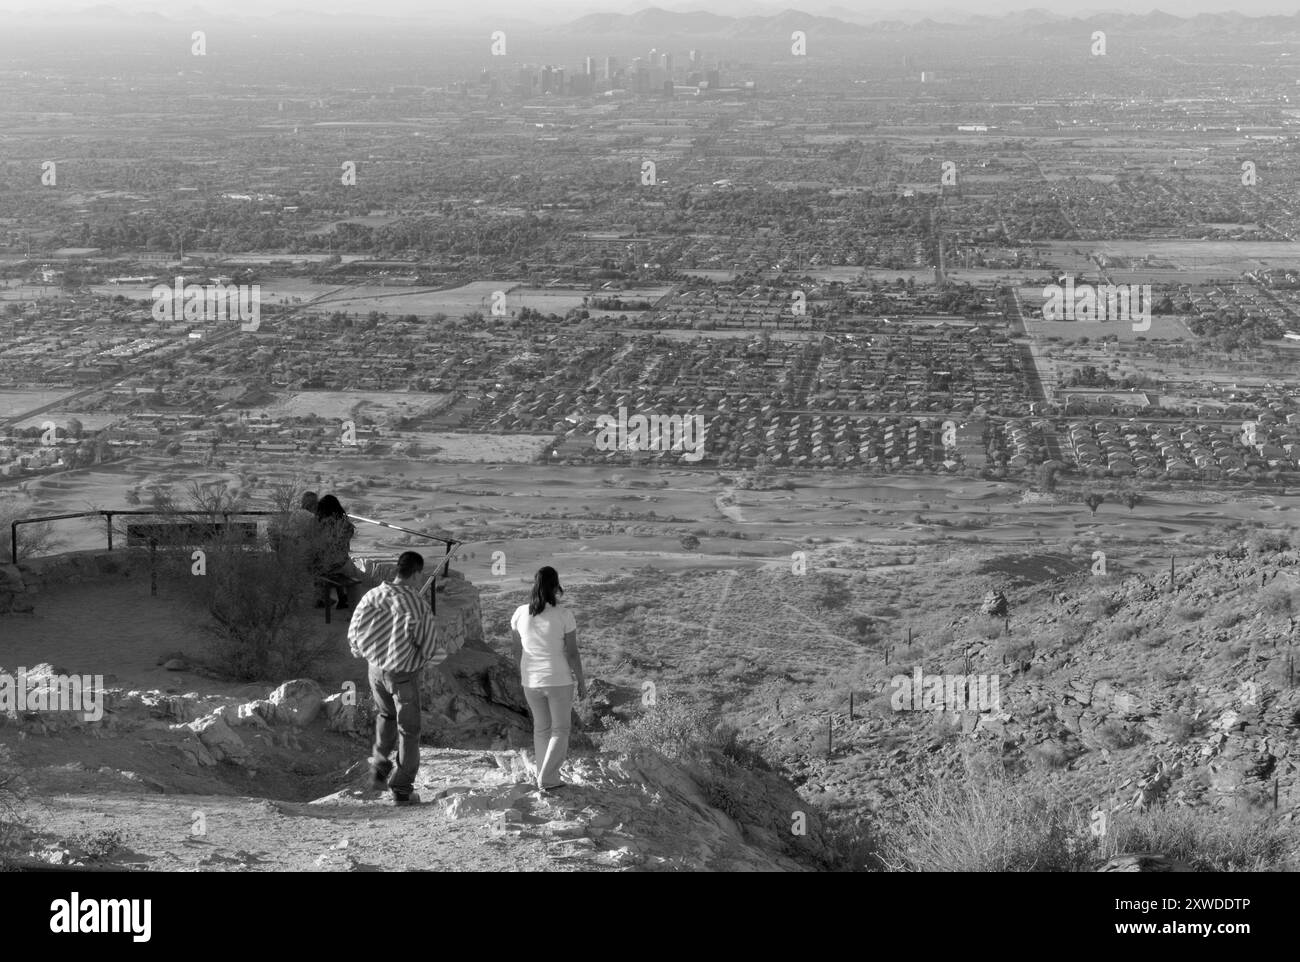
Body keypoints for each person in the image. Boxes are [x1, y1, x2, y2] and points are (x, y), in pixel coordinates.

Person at [348, 550, 438, 806]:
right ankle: (402, 788)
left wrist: (365, 654)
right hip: (403, 675)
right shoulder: (417, 604)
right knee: (409, 731)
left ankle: (379, 764)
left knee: (385, 715)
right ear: (417, 572)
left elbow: (354, 633)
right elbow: (429, 647)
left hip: (375, 670)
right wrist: (420, 661)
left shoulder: (372, 595)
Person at [510, 566, 586, 793]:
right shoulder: (564, 615)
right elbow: (572, 653)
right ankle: (549, 779)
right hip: (558, 680)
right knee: (560, 730)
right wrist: (581, 681)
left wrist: (523, 673)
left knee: (541, 729)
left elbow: (516, 650)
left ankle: (542, 776)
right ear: (556, 587)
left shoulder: (520, 613)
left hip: (531, 680)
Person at [314, 494, 356, 609]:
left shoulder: (322, 524)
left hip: (328, 565)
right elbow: (341, 545)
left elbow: (322, 546)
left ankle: (321, 598)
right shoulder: (346, 525)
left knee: (314, 565)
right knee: (337, 562)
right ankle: (342, 599)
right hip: (342, 563)